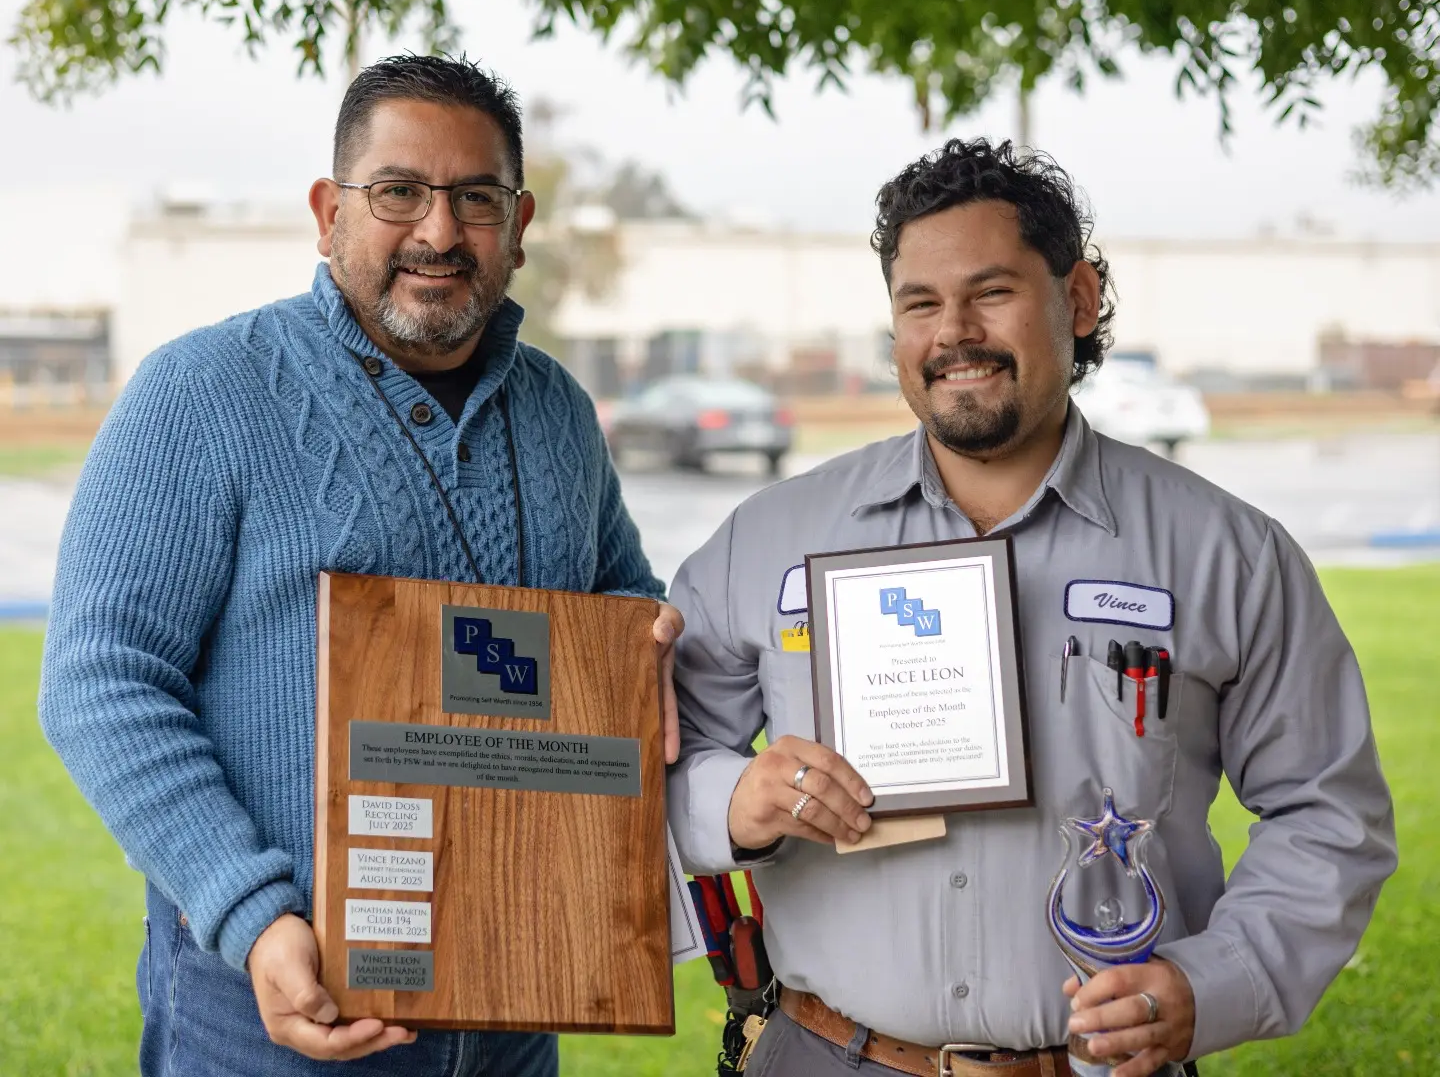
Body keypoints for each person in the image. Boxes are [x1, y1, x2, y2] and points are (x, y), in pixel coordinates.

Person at [666, 139, 1396, 1077]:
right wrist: (739, 799)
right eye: (919, 304)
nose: (953, 332)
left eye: (992, 292)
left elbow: (1328, 813)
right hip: (822, 1054)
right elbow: (650, 760)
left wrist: (1215, 981)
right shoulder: (766, 538)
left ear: (1078, 299)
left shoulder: (1227, 553)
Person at [39, 53, 682, 1077]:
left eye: (475, 198)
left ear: (518, 228)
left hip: (516, 1021)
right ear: (329, 209)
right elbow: (100, 680)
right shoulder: (203, 392)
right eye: (399, 193)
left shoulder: (558, 411)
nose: (437, 231)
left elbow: (621, 599)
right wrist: (250, 915)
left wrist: (640, 644)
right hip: (274, 1019)